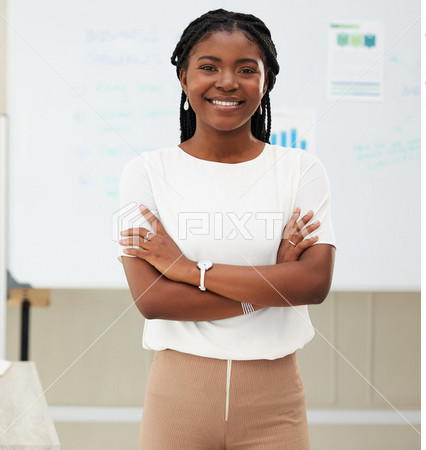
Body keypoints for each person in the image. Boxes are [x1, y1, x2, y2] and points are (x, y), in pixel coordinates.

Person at [117, 9, 336, 449]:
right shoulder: (145, 173)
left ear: (266, 81)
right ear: (183, 78)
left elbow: (312, 283)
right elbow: (153, 299)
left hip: (274, 401)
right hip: (178, 395)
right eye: (208, 67)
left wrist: (184, 267)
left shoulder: (300, 170)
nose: (227, 82)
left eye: (246, 69)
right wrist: (270, 285)